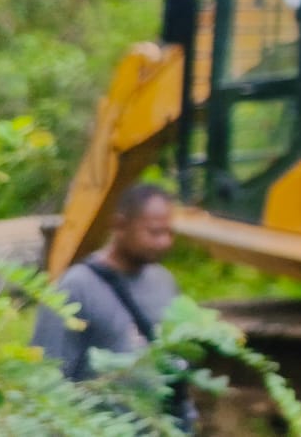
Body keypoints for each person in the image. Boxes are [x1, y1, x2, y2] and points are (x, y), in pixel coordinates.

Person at [30, 182, 197, 431]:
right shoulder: (77, 287)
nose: (164, 242)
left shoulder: (164, 281)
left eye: (168, 232)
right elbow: (48, 375)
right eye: (153, 232)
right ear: (119, 225)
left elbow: (174, 360)